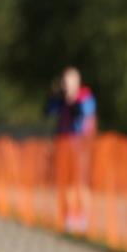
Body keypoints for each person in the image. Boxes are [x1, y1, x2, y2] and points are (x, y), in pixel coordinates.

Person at [46, 67, 98, 232]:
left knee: (80, 183)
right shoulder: (60, 100)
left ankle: (82, 218)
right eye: (64, 81)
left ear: (76, 82)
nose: (66, 84)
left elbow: (84, 112)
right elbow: (49, 111)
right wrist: (55, 95)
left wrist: (72, 99)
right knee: (66, 183)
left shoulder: (85, 97)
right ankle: (68, 217)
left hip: (79, 146)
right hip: (63, 145)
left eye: (68, 81)